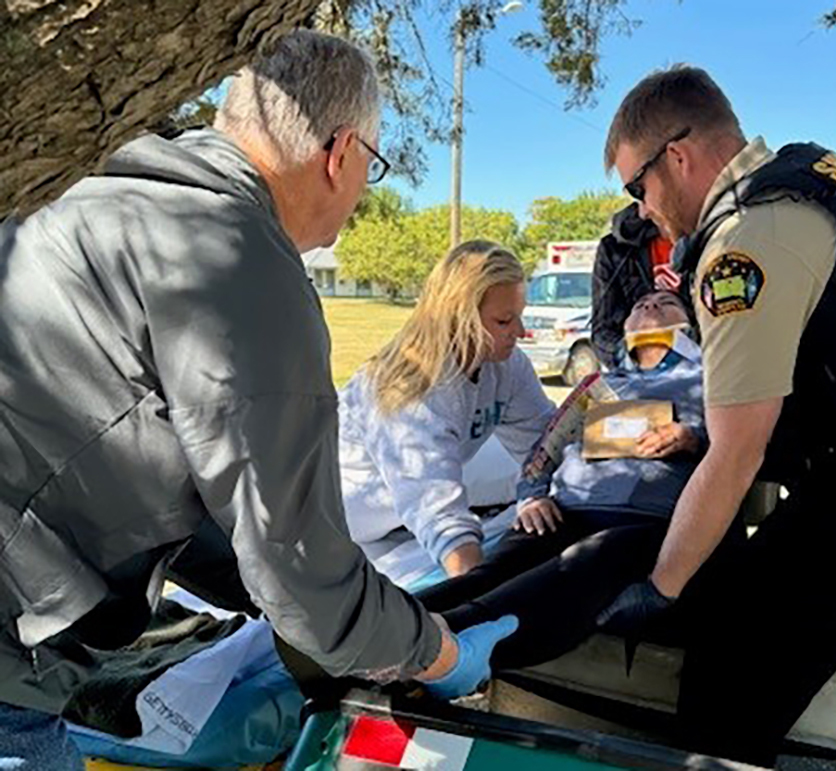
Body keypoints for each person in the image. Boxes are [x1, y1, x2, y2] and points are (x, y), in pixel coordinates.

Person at [0, 31, 511, 770]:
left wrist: (277, 591)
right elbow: (298, 565)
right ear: (341, 154)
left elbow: (194, 488)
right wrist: (440, 652)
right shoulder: (245, 263)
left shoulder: (88, 194)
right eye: (374, 164)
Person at [600, 64, 836, 765]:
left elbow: (737, 453)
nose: (639, 210)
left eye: (638, 186)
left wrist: (659, 587)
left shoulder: (744, 243)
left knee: (726, 654)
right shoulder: (807, 179)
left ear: (679, 157)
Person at [414, 291, 745, 670]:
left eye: (667, 304)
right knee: (494, 571)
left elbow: (744, 448)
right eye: (640, 303)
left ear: (690, 326)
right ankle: (391, 624)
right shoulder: (595, 386)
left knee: (583, 563)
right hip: (565, 512)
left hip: (649, 522)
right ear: (625, 328)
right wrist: (533, 497)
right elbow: (544, 451)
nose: (650, 305)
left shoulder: (712, 382)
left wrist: (693, 438)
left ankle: (440, 643)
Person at [338, 241, 555, 587]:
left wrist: (534, 493)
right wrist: (478, 595)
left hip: (410, 495)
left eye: (519, 315)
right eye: (504, 321)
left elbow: (545, 440)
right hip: (350, 512)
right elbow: (434, 506)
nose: (520, 332)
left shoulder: (507, 366)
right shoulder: (409, 389)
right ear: (459, 318)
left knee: (538, 486)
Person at [591, 203, 678, 369]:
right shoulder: (615, 249)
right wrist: (637, 360)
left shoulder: (719, 237)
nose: (644, 209)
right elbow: (602, 332)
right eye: (636, 189)